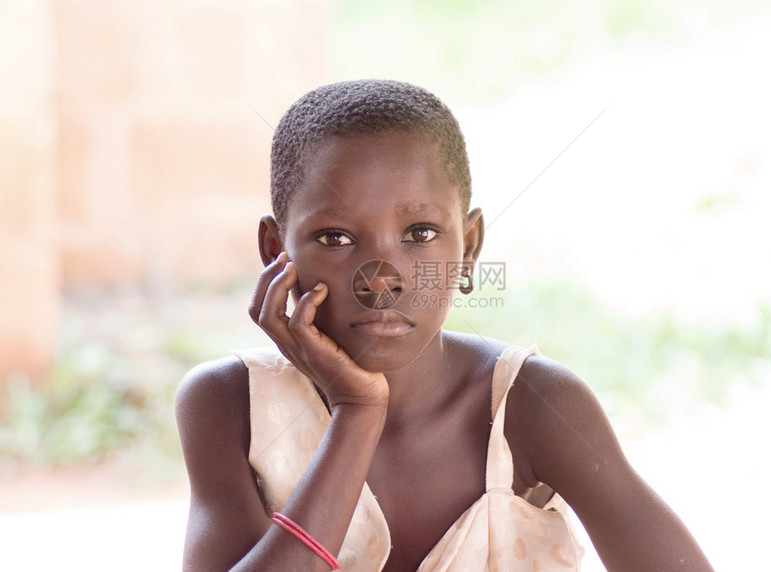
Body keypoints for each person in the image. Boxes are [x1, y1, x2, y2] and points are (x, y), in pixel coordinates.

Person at [175, 80, 713, 571]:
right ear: (276, 253)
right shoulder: (229, 405)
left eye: (419, 232)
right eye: (336, 237)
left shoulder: (532, 406)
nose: (381, 280)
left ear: (470, 248)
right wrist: (357, 413)